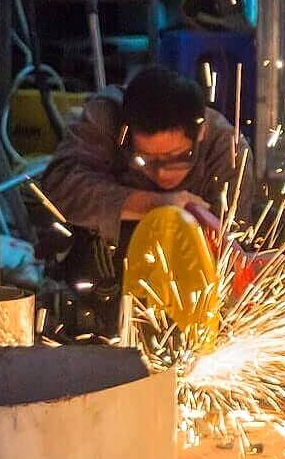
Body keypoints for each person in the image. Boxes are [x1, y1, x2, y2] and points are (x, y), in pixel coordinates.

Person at [42, 65, 255, 335]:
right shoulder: (106, 117)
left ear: (200, 131)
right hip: (104, 275)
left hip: (191, 292)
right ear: (127, 133)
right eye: (147, 159)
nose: (162, 173)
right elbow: (59, 185)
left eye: (177, 158)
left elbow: (232, 247)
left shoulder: (228, 149)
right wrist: (154, 204)